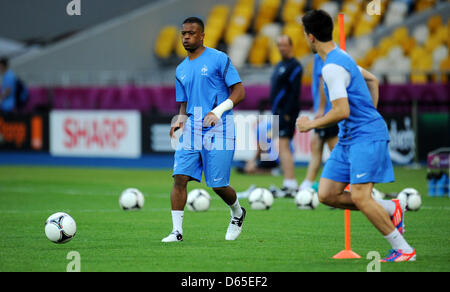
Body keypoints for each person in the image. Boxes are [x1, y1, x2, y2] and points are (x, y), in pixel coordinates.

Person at [297, 10, 415, 262]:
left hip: (365, 137)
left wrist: (311, 124)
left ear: (310, 37)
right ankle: (390, 207)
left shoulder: (331, 67)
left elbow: (342, 110)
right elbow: (372, 80)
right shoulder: (343, 57)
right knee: (327, 193)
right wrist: (369, 111)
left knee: (360, 196)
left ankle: (404, 249)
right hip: (349, 138)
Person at [162, 17, 246, 242]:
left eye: (191, 33)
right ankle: (176, 232)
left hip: (220, 127)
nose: (186, 36)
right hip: (192, 128)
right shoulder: (180, 69)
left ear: (202, 36)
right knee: (179, 177)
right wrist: (179, 120)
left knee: (218, 185)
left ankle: (237, 212)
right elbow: (183, 102)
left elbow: (239, 92)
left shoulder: (219, 58)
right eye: (183, 33)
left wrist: (217, 112)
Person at [268, 35, 303, 198]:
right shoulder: (279, 65)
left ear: (291, 46)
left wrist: (288, 113)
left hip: (286, 112)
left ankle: (290, 183)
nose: (282, 48)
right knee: (281, 146)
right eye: (279, 45)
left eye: (284, 45)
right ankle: (288, 182)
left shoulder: (295, 66)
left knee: (284, 146)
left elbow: (294, 93)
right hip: (277, 112)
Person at [299, 54, 338, 191]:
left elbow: (323, 82)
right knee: (317, 145)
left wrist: (321, 107)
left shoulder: (321, 56)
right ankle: (308, 183)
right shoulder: (324, 55)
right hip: (326, 110)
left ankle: (338, 184)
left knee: (335, 151)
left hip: (327, 112)